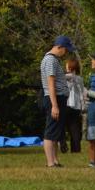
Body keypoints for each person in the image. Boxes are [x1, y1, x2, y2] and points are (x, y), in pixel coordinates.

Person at [39, 36, 72, 168]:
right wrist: (54, 105)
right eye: (66, 50)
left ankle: (55, 160)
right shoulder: (50, 60)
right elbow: (50, 83)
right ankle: (50, 162)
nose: (66, 53)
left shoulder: (54, 60)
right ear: (59, 47)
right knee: (51, 130)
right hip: (54, 98)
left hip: (59, 98)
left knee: (56, 132)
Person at [62, 55, 85, 155]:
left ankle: (63, 145)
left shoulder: (65, 77)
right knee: (74, 129)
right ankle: (76, 150)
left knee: (61, 127)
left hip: (66, 105)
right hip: (76, 106)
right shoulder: (80, 79)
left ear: (70, 67)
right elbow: (82, 93)